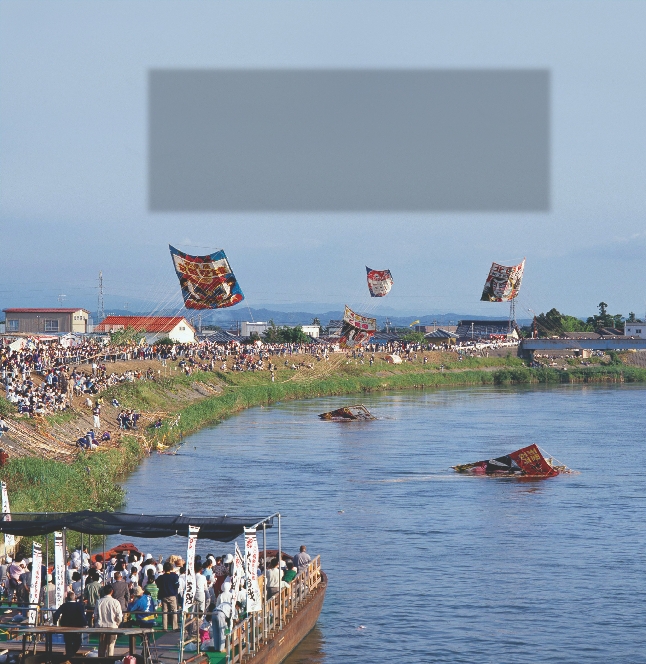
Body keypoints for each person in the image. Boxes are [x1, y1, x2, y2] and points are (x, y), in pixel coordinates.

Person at [53, 590, 88, 656]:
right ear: (74, 598)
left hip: (65, 626)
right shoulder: (79, 605)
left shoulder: (64, 605)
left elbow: (56, 614)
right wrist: (85, 623)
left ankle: (69, 655)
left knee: (68, 642)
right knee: (78, 642)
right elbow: (82, 615)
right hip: (77, 627)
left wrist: (55, 622)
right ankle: (72, 654)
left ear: (67, 598)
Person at [94, 585, 122, 656]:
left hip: (101, 627)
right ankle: (109, 661)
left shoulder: (99, 601)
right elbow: (119, 617)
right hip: (112, 626)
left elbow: (95, 615)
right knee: (110, 646)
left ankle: (100, 661)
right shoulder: (116, 602)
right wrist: (117, 623)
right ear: (112, 591)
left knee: (101, 646)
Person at [156, 561, 180, 631]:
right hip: (172, 595)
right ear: (171, 568)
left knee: (164, 611)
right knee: (174, 611)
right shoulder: (174, 576)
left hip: (163, 595)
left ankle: (164, 627)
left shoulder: (161, 577)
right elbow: (177, 585)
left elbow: (157, 584)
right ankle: (175, 627)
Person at [212, 581, 233, 652]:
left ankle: (216, 647)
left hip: (215, 612)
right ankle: (222, 648)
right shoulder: (231, 595)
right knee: (222, 631)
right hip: (224, 614)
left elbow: (217, 605)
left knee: (216, 631)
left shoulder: (220, 595)